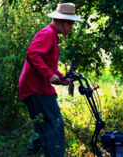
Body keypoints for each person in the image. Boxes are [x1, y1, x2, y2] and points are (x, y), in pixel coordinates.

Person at [18, 3, 82, 157]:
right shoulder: (47, 34)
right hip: (36, 87)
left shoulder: (53, 36)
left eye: (73, 23)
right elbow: (32, 54)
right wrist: (49, 75)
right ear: (58, 20)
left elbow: (47, 65)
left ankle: (31, 155)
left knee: (43, 128)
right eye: (69, 23)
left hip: (35, 86)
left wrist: (60, 77)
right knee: (56, 125)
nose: (72, 27)